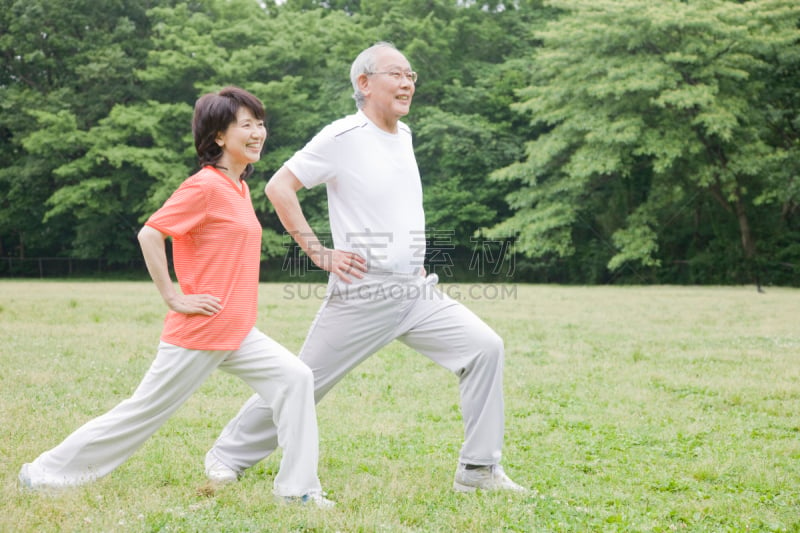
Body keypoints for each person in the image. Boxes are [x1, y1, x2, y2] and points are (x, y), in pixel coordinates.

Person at [204, 43, 527, 493]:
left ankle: (478, 471)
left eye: (411, 75)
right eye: (396, 74)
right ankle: (227, 455)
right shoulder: (342, 137)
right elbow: (280, 187)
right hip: (363, 291)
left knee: (484, 348)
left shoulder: (405, 134)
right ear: (364, 83)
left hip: (416, 292)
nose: (407, 82)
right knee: (305, 382)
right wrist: (319, 252)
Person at [18, 87, 333, 508]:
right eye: (247, 124)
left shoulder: (237, 188)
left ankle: (297, 490)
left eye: (260, 123)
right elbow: (151, 233)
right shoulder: (204, 186)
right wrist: (173, 296)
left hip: (236, 328)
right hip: (202, 329)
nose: (258, 132)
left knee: (296, 378)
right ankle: (44, 474)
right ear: (219, 135)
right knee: (143, 412)